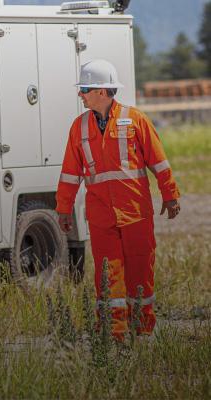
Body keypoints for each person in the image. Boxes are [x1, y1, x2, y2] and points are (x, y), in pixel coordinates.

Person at [56, 59, 181, 341]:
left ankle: (143, 328)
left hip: (135, 212)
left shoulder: (136, 120)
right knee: (106, 273)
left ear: (101, 91)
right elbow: (69, 173)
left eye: (84, 89)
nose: (80, 94)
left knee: (140, 270)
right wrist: (63, 209)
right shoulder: (79, 127)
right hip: (101, 216)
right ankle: (113, 331)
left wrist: (170, 194)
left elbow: (158, 162)